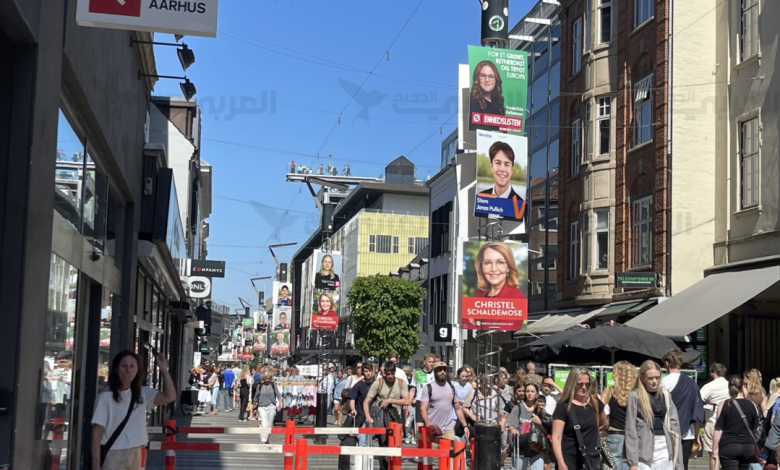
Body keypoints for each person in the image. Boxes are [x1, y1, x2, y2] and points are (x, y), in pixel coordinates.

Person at [91, 350, 176, 470]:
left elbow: (170, 396)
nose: (128, 370)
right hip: (114, 452)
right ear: (116, 369)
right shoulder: (105, 397)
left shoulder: (142, 394)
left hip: (138, 451)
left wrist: (163, 369)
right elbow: (97, 433)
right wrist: (96, 465)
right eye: (124, 366)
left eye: (132, 366)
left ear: (137, 369)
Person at [626, 360, 684, 470]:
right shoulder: (634, 396)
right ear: (642, 378)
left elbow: (674, 425)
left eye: (657, 378)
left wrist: (678, 461)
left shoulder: (665, 395)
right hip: (644, 448)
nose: (654, 381)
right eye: (650, 378)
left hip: (664, 445)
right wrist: (633, 462)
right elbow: (630, 429)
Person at [551, 367, 608, 470]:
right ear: (572, 384)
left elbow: (604, 424)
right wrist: (561, 463)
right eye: (580, 384)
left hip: (592, 459)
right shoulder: (563, 406)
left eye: (587, 384)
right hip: (570, 460)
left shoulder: (595, 402)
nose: (584, 388)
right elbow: (556, 438)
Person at [661, 349, 705, 470]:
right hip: (687, 434)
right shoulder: (692, 384)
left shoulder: (663, 383)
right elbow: (697, 413)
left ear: (667, 362)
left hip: (667, 432)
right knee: (683, 466)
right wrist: (697, 437)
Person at [364, 361, 410, 470]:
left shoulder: (401, 383)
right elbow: (366, 401)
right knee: (383, 446)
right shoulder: (378, 383)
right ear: (384, 373)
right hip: (381, 418)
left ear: (395, 373)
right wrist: (368, 417)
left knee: (396, 446)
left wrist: (390, 400)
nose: (390, 376)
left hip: (395, 418)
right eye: (388, 374)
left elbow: (406, 401)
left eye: (392, 374)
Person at [713, 375, 761, 470]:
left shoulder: (724, 404)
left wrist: (714, 449)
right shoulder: (752, 405)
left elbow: (718, 430)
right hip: (747, 446)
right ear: (743, 387)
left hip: (728, 446)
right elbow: (756, 428)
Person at [421, 362, 470, 444]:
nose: (442, 372)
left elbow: (458, 408)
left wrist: (465, 426)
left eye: (444, 370)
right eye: (440, 370)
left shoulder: (451, 388)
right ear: (435, 372)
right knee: (433, 451)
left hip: (448, 428)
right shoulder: (428, 388)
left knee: (449, 451)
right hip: (433, 428)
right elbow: (423, 409)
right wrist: (428, 424)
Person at [601, 361, 638, 470]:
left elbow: (600, 411)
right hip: (634, 435)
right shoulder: (637, 393)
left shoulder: (609, 390)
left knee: (613, 465)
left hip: (614, 435)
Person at [507, 383, 551, 470]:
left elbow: (546, 432)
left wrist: (539, 423)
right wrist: (513, 430)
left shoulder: (540, 411)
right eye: (527, 391)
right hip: (521, 447)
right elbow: (511, 426)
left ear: (537, 394)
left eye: (532, 391)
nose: (530, 393)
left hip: (536, 448)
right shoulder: (518, 408)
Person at [701, 363, 730, 470]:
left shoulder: (709, 386)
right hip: (728, 423)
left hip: (712, 421)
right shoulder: (730, 385)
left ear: (714, 372)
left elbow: (699, 399)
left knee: (713, 454)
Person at [470, 60, 506, 125]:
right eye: (483, 76)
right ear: (477, 78)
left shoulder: (499, 104)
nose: (487, 80)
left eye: (491, 76)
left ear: (496, 79)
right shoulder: (471, 100)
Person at [412, 354, 437, 437]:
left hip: (432, 402)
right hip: (420, 401)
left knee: (431, 427)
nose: (431, 364)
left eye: (433, 362)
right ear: (424, 362)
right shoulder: (417, 373)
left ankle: (429, 443)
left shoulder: (436, 374)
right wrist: (409, 401)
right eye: (429, 362)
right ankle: (420, 442)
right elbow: (412, 389)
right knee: (420, 428)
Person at [254, 371, 282, 444]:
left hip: (271, 405)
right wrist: (254, 408)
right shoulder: (259, 386)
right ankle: (263, 439)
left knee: (270, 423)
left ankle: (267, 438)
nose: (267, 380)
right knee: (264, 422)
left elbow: (278, 395)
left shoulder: (273, 385)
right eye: (265, 378)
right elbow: (256, 397)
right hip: (262, 406)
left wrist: (279, 404)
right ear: (263, 378)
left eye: (268, 378)